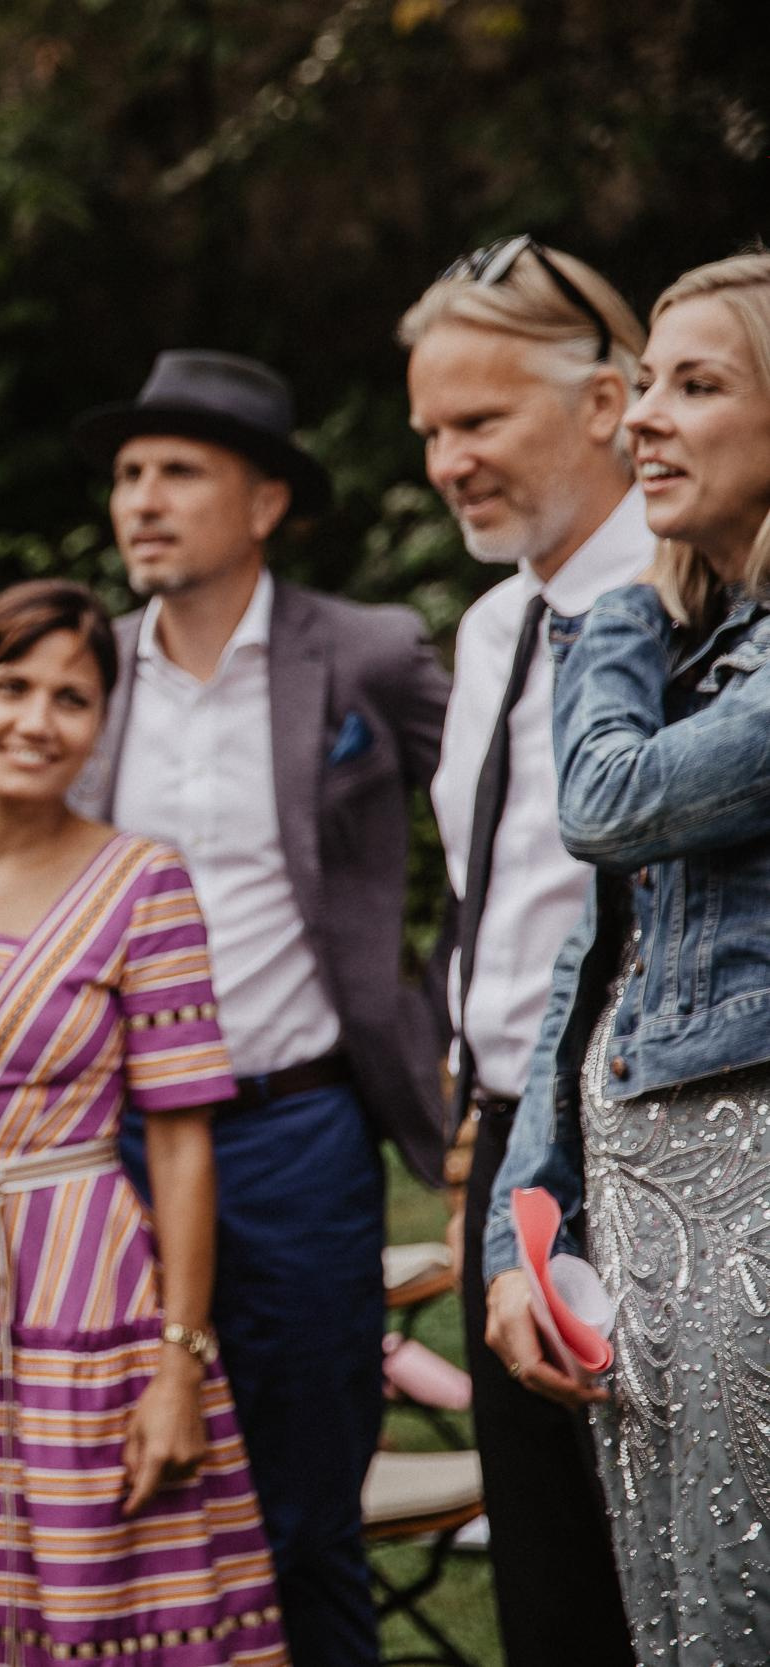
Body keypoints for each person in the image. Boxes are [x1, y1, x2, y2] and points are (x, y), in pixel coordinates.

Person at [0, 579, 286, 1665]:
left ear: (100, 728)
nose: (36, 719)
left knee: (90, 1587)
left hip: (78, 1294)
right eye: (12, 685)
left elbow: (180, 1142)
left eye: (71, 699)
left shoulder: (145, 884)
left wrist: (178, 1362)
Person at [65, 350, 451, 1667]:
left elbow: (511, 825)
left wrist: (451, 1002)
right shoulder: (86, 671)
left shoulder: (367, 654)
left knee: (305, 1516)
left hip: (298, 1134)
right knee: (119, 1492)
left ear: (266, 500)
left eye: (179, 470)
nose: (142, 498)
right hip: (114, 1144)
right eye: (129, 472)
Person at [484, 250, 770, 1667]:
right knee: (675, 1617)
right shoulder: (683, 642)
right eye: (643, 382)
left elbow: (604, 803)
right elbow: (586, 971)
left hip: (753, 1212)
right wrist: (517, 1232)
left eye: (694, 384)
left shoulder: (634, 641)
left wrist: (607, 622)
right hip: (640, 1220)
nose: (642, 417)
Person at [399, 236, 646, 1666]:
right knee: (547, 1578)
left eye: (479, 420)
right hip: (507, 1139)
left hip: (653, 1134)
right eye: (430, 431)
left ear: (607, 402)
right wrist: (477, 1153)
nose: (448, 462)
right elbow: (487, 905)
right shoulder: (494, 626)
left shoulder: (694, 605)